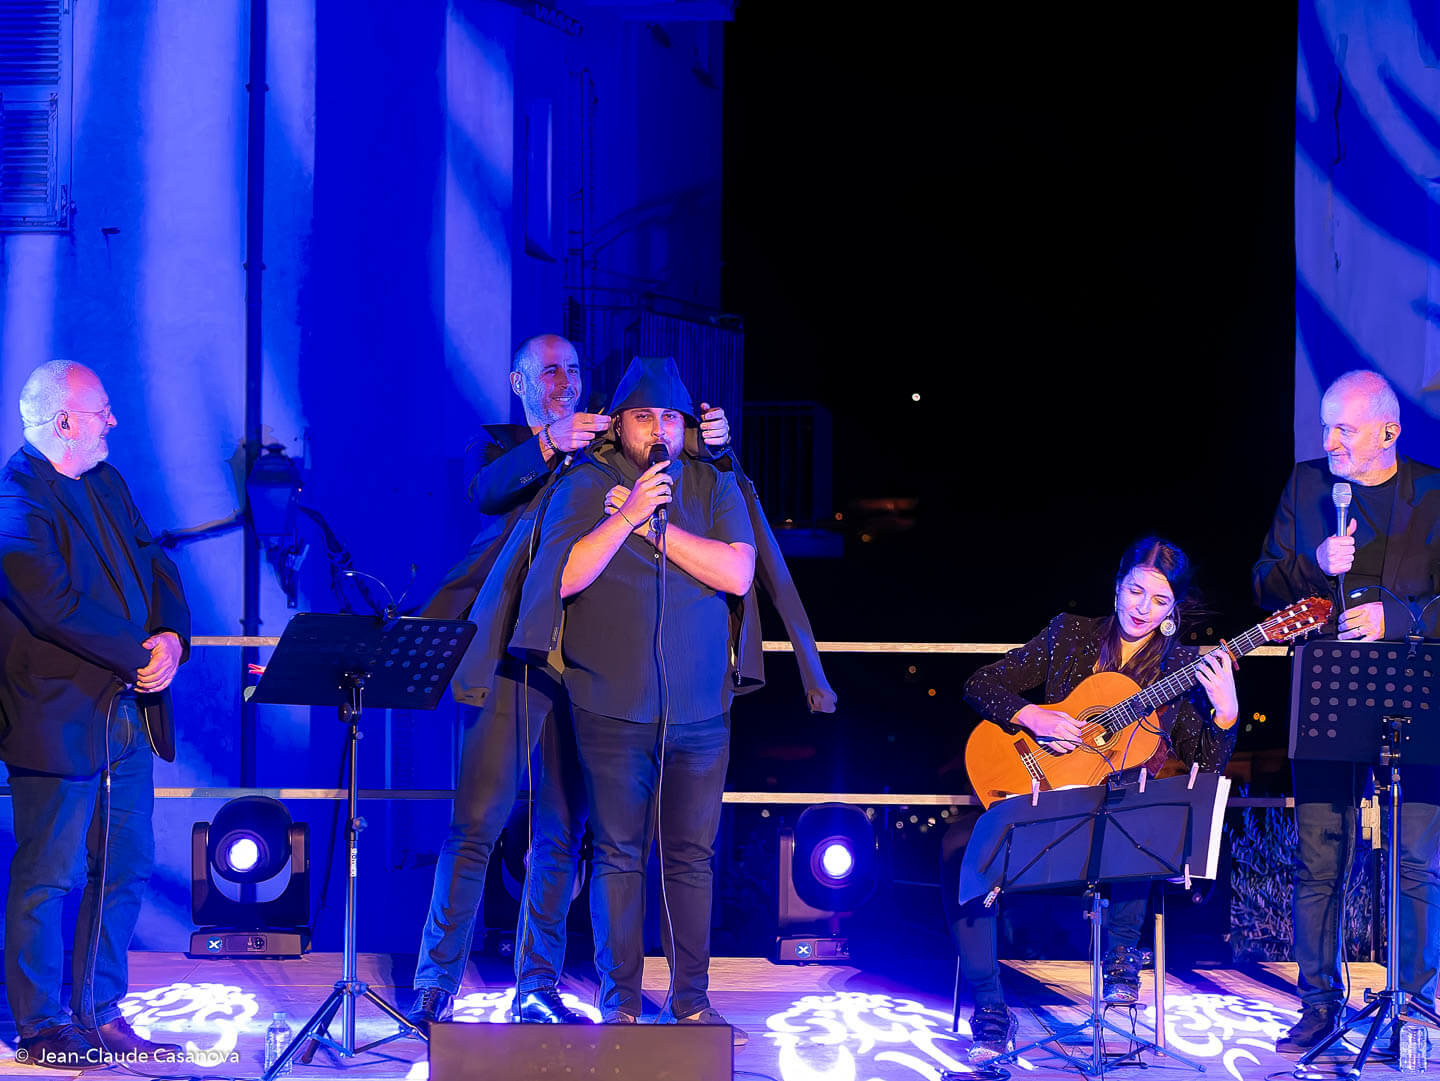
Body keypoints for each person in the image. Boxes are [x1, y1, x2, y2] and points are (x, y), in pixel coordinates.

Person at [408, 335, 734, 1031]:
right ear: (520, 383)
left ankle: (538, 983)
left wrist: (715, 442)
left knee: (562, 830)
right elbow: (486, 492)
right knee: (477, 821)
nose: (565, 381)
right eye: (550, 371)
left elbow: (673, 455)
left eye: (575, 370)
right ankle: (435, 981)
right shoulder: (500, 446)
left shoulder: (607, 450)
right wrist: (551, 443)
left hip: (579, 665)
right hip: (508, 654)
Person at [510, 356, 758, 1043]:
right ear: (618, 424)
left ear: (684, 428)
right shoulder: (587, 482)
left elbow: (738, 571)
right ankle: (619, 1004)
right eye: (643, 416)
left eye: (670, 417)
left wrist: (656, 529)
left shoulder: (712, 482)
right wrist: (624, 516)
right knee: (618, 854)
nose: (658, 429)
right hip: (609, 705)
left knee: (690, 857)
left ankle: (691, 1003)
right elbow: (562, 577)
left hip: (700, 711)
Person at [955, 537, 1237, 1065]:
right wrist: (1033, 716)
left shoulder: (1179, 669)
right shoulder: (1070, 635)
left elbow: (1206, 763)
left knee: (1141, 822)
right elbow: (981, 684)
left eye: (1160, 600)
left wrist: (1225, 714)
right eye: (1135, 591)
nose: (1143, 608)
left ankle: (1122, 956)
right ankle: (991, 1011)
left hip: (1110, 834)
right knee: (959, 848)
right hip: (1040, 806)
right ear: (1117, 586)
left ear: (1174, 609)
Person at [0, 361, 190, 1066]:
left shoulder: (107, 481)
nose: (113, 420)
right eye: (101, 410)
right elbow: (54, 604)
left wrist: (170, 637)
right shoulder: (16, 497)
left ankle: (99, 1010)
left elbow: (156, 563)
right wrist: (138, 653)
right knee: (49, 873)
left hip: (127, 713)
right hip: (58, 718)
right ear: (64, 422)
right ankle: (41, 1024)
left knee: (126, 863)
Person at [1253, 369, 1440, 1053]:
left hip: (1415, 697)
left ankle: (1413, 1007)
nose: (1329, 440)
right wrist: (1313, 562)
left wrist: (1401, 619)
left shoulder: (1434, 492)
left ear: (1389, 431)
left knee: (1415, 860)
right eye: (1325, 426)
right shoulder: (1306, 486)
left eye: (1345, 429)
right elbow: (1264, 582)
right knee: (1321, 859)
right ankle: (1319, 1006)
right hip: (1326, 699)